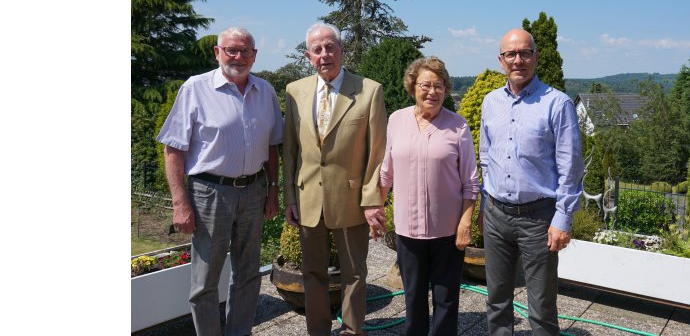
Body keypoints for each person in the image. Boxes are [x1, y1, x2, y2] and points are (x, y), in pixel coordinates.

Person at [157, 26, 283, 336]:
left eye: (246, 51)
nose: (239, 57)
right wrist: (179, 203)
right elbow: (173, 147)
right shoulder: (195, 88)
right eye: (232, 50)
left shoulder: (265, 91)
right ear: (218, 52)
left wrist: (273, 190)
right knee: (205, 282)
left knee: (248, 273)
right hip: (209, 193)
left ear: (254, 56)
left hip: (254, 191)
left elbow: (271, 145)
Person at [282, 22, 387, 335]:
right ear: (308, 56)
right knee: (312, 272)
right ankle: (318, 330)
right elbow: (290, 150)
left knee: (354, 272)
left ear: (342, 51)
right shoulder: (294, 91)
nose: (324, 54)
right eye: (317, 49)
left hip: (352, 199)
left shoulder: (369, 90)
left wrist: (372, 200)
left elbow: (377, 152)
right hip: (308, 199)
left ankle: (353, 329)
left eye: (330, 47)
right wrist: (289, 197)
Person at [478, 28, 584, 335]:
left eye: (525, 53)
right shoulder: (490, 103)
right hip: (497, 216)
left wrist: (563, 218)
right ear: (501, 61)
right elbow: (487, 157)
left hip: (539, 219)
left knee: (541, 307)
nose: (518, 60)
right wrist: (485, 206)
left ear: (535, 57)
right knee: (497, 301)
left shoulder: (557, 104)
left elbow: (571, 167)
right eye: (510, 54)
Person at [378, 57, 479, 336]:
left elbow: (471, 182)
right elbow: (387, 172)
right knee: (413, 299)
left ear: (446, 90)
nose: (432, 92)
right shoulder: (396, 120)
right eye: (425, 85)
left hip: (447, 232)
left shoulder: (458, 127)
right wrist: (375, 208)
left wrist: (465, 223)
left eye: (439, 86)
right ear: (413, 87)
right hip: (408, 232)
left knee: (446, 300)